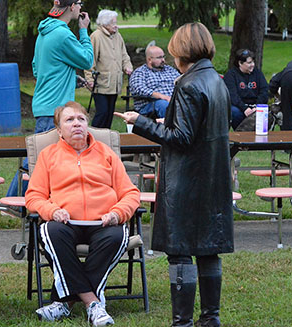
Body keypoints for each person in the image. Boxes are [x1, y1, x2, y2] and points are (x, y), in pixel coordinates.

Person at [115, 23, 233, 327]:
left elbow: (180, 137)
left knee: (181, 252)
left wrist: (140, 121)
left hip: (186, 180)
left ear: (182, 51)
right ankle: (211, 319)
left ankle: (182, 323)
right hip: (212, 177)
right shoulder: (216, 81)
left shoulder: (188, 84)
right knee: (208, 251)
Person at [25, 101, 140, 326]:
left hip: (104, 222)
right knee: (50, 231)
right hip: (65, 222)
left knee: (117, 236)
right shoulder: (49, 156)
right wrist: (52, 210)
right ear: (59, 130)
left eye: (81, 119)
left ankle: (63, 302)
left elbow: (130, 193)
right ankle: (93, 304)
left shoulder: (106, 154)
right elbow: (33, 197)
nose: (77, 124)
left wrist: (117, 213)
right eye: (69, 120)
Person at [6, 0, 93, 197]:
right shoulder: (63, 34)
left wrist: (69, 76)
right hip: (54, 108)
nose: (81, 7)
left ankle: (19, 200)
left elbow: (38, 68)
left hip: (44, 104)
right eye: (79, 3)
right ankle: (13, 202)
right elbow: (87, 60)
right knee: (37, 158)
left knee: (40, 156)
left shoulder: (44, 32)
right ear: (71, 7)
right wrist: (84, 31)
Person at [83, 9, 133, 128]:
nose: (116, 26)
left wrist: (127, 66)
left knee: (110, 114)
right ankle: (94, 136)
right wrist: (89, 78)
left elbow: (124, 54)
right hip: (101, 83)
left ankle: (105, 139)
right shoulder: (96, 36)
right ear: (104, 23)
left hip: (114, 83)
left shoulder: (117, 36)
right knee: (102, 112)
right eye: (113, 23)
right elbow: (90, 60)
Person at [128, 44, 180, 118]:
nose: (163, 60)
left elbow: (181, 83)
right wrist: (162, 96)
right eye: (159, 57)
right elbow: (138, 89)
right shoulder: (140, 72)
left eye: (163, 57)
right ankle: (170, 128)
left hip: (173, 102)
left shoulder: (170, 70)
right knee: (163, 104)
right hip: (149, 105)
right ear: (149, 59)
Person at [223, 49, 269, 130]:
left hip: (255, 106)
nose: (253, 65)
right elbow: (232, 95)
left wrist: (257, 106)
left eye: (253, 62)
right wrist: (244, 108)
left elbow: (264, 91)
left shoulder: (257, 73)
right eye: (249, 63)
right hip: (240, 107)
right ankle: (241, 134)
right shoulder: (231, 75)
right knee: (234, 112)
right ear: (240, 63)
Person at [269, 58, 292, 130]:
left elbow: (272, 83)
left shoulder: (285, 71)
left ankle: (287, 136)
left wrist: (276, 94)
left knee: (287, 112)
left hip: (288, 80)